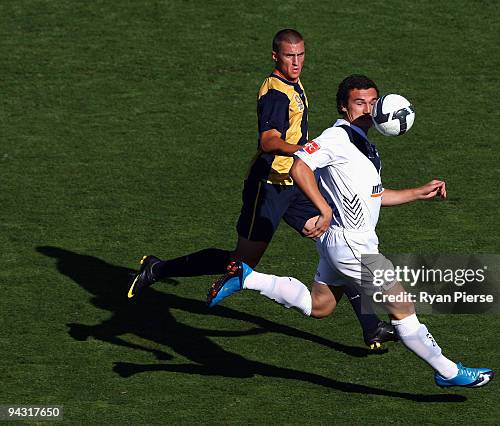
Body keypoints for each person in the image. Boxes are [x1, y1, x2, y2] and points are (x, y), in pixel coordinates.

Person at [206, 75, 494, 388]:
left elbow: (374, 196)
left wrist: (416, 192)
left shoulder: (365, 145)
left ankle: (247, 277)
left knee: (320, 306)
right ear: (344, 107)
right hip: (352, 244)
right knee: (402, 306)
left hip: (339, 244)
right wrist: (324, 208)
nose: (368, 109)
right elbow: (298, 166)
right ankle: (449, 371)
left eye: (373, 102)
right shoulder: (336, 137)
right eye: (359, 102)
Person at [128, 29, 397, 350]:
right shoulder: (274, 92)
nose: (296, 62)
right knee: (241, 260)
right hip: (268, 187)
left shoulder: (293, 85)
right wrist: (306, 150)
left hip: (294, 186)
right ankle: (158, 268)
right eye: (289, 56)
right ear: (275, 57)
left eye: (300, 55)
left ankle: (371, 327)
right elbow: (268, 141)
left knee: (338, 238)